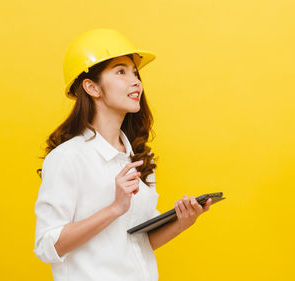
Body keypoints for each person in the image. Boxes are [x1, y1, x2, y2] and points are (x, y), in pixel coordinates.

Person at [33, 28, 213, 281]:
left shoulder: (136, 158)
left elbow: (138, 242)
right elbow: (46, 245)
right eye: (121, 71)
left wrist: (182, 222)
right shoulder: (67, 158)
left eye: (135, 73)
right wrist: (115, 208)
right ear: (92, 87)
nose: (136, 81)